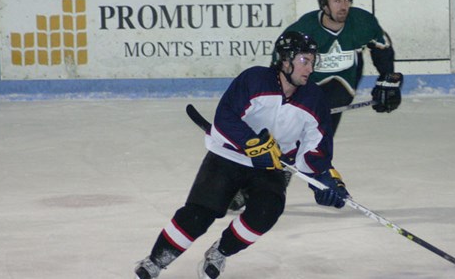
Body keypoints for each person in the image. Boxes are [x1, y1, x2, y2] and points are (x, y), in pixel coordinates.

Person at [133, 31, 351, 279]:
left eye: (313, 61)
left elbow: (317, 145)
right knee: (199, 214)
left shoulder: (314, 99)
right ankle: (156, 261)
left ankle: (220, 252)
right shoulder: (255, 79)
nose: (310, 68)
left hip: (271, 166)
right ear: (286, 60)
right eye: (305, 60)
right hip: (228, 156)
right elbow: (225, 118)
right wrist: (253, 144)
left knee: (267, 211)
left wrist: (323, 180)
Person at [227, 0, 402, 211]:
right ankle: (255, 187)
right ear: (324, 3)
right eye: (337, 0)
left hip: (341, 91)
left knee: (308, 143)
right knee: (283, 141)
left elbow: (382, 48)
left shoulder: (362, 21)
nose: (344, 6)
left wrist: (388, 81)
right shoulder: (303, 31)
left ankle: (264, 189)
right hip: (305, 91)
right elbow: (279, 68)